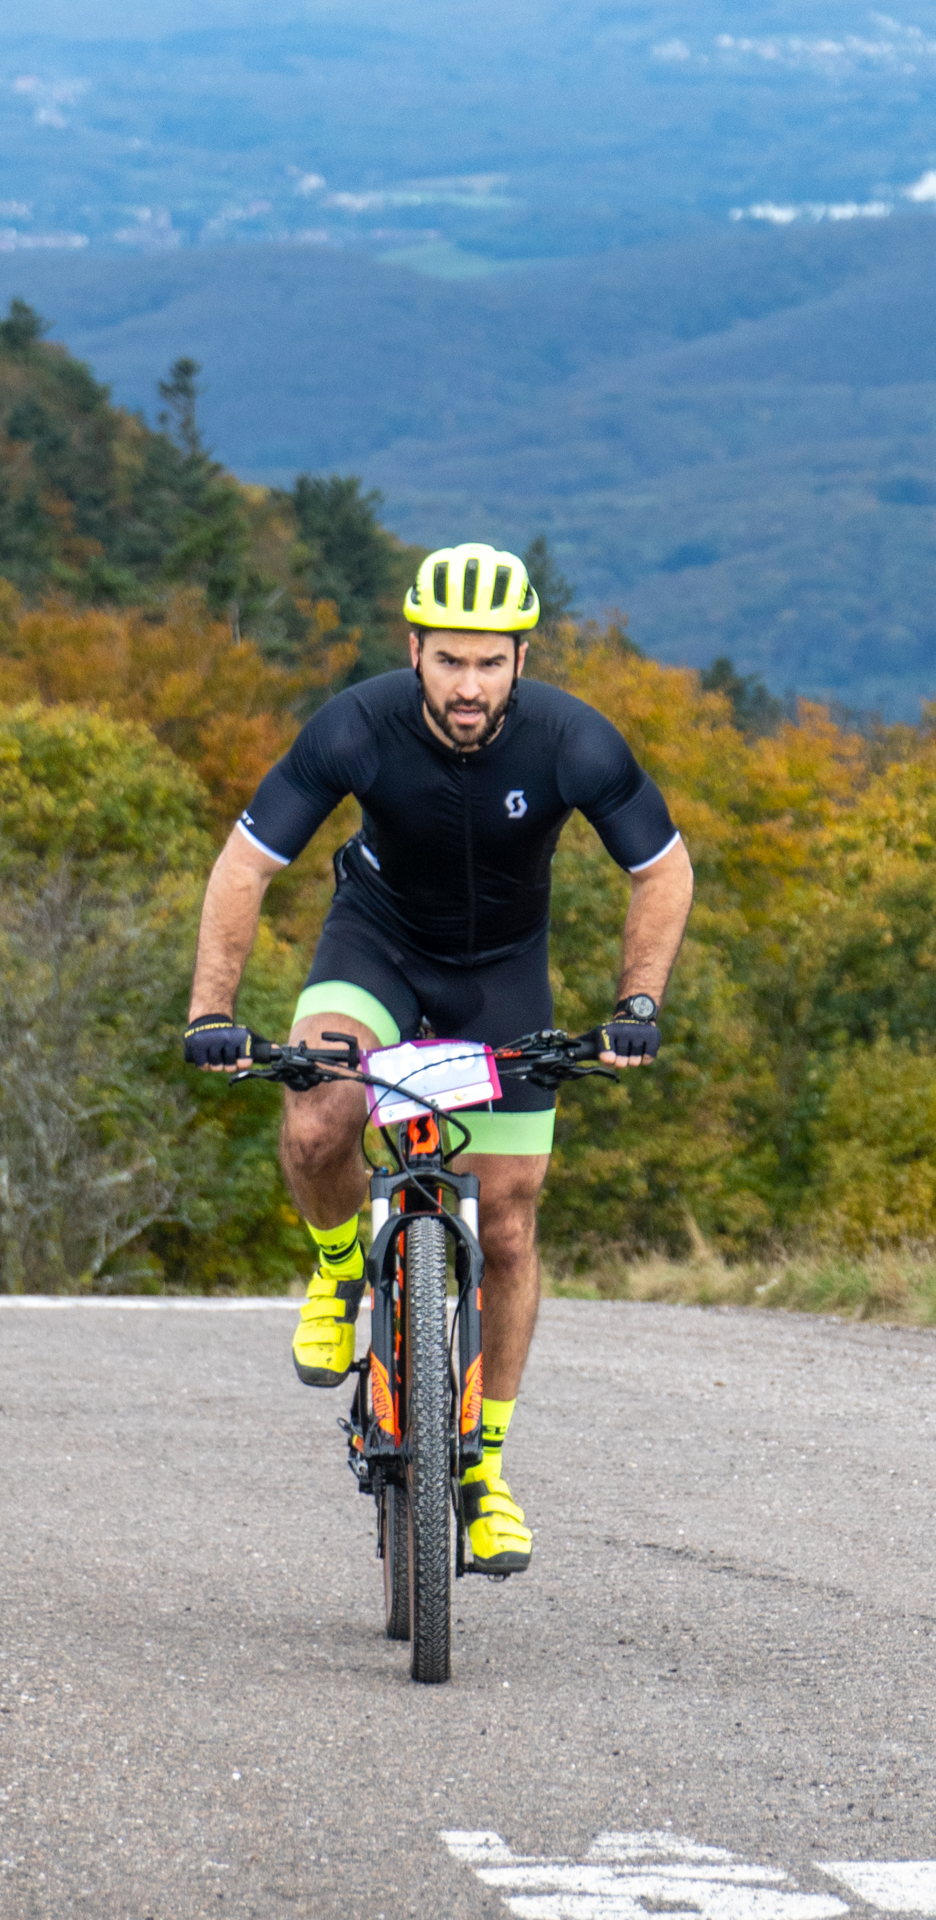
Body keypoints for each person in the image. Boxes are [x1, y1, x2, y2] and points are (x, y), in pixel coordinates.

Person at [183, 542, 694, 1574]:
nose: (469, 686)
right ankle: (340, 1273)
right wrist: (211, 1012)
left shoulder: (572, 741)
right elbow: (244, 865)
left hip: (501, 976)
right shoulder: (355, 727)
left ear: (520, 661)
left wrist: (637, 1004)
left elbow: (663, 869)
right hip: (375, 951)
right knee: (318, 1114)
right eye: (450, 660)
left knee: (505, 1223)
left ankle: (484, 1470)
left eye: (490, 663)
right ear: (413, 649)